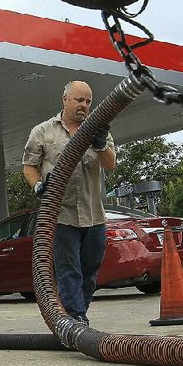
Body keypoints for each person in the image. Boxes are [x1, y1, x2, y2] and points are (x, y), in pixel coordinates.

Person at [22, 80, 116, 325]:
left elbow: (110, 164)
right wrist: (37, 185)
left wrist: (101, 144)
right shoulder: (43, 131)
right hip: (61, 214)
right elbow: (29, 166)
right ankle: (76, 318)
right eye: (79, 100)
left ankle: (74, 317)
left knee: (90, 270)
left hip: (94, 214)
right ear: (65, 100)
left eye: (88, 101)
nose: (84, 106)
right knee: (68, 269)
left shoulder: (99, 131)